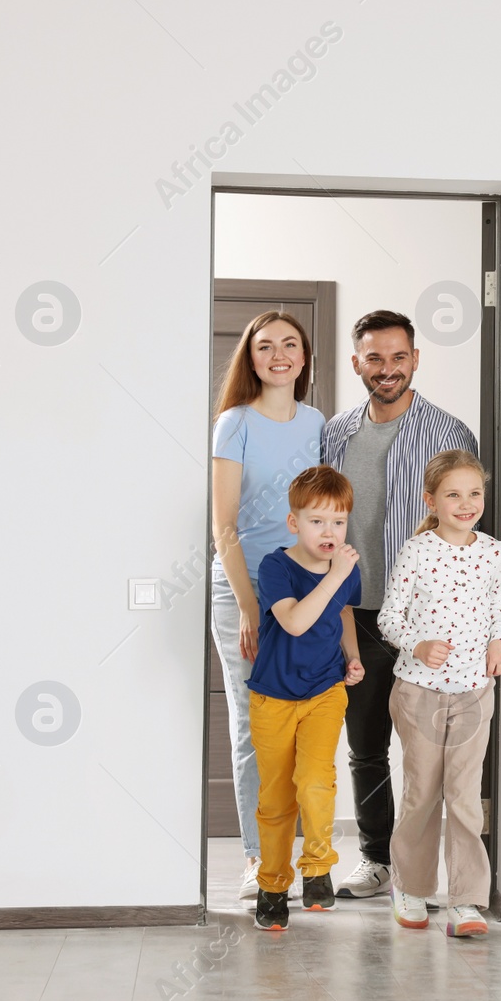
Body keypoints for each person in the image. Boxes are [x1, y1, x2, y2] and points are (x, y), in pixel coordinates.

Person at [321, 310, 477, 900]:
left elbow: (469, 526)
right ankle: (376, 859)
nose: (387, 370)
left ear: (416, 359)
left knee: (431, 753)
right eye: (375, 358)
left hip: (426, 622)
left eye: (398, 357)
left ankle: (426, 875)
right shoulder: (334, 435)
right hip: (353, 614)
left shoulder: (451, 433)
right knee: (365, 745)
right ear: (357, 361)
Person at [210, 311, 325, 900]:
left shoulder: (317, 423)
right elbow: (224, 528)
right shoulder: (234, 423)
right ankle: (259, 860)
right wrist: (251, 607)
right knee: (255, 728)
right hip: (246, 591)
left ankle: (304, 856)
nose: (278, 354)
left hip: (308, 590)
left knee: (305, 725)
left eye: (289, 345)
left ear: (304, 358)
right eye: (264, 346)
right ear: (250, 359)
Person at [379, 449, 501, 937]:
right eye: (453, 494)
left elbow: (498, 610)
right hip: (420, 693)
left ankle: (467, 901)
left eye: (474, 493)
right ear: (431, 500)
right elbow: (389, 618)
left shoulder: (493, 551)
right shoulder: (417, 551)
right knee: (422, 795)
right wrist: (419, 644)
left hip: (475, 693)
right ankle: (410, 888)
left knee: (464, 797)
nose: (466, 503)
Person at [246, 465, 365, 931]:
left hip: (324, 690)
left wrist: (351, 657)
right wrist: (336, 575)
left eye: (338, 522)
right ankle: (272, 885)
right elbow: (295, 621)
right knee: (276, 797)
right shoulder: (276, 566)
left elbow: (345, 611)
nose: (329, 532)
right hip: (273, 696)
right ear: (294, 523)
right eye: (317, 521)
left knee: (315, 781)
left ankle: (318, 870)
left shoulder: (344, 570)